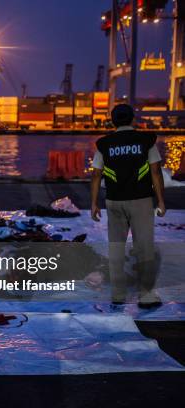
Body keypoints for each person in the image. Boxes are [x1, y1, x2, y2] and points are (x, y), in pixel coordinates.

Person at [90, 103, 166, 308]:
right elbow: (156, 172)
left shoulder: (104, 144)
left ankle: (118, 294)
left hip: (114, 201)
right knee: (144, 248)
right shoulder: (146, 141)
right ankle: (146, 295)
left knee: (116, 247)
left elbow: (96, 175)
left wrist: (94, 203)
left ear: (113, 121)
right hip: (141, 200)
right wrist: (160, 201)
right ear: (133, 119)